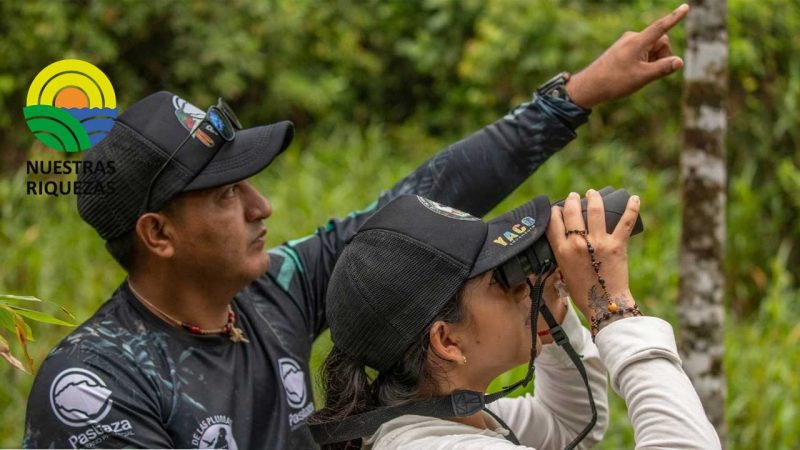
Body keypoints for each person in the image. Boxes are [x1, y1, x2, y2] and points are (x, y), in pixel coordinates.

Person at [22, 4, 691, 448]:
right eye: (226, 195)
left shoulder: (269, 295)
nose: (262, 208)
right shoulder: (99, 385)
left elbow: (422, 203)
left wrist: (570, 99)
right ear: (158, 235)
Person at [311, 191, 721, 449]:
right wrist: (613, 309)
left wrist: (550, 306)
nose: (524, 286)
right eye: (502, 282)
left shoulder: (432, 413)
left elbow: (566, 424)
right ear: (446, 341)